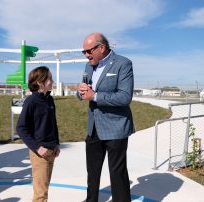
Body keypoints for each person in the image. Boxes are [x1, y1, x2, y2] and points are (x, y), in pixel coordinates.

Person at [77, 33, 134, 202]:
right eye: (84, 52)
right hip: (93, 127)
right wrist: (80, 92)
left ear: (101, 47)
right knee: (92, 173)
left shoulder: (123, 64)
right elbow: (84, 93)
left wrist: (94, 96)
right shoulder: (88, 66)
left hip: (116, 128)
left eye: (88, 51)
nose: (86, 55)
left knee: (117, 174)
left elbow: (125, 97)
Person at [16, 66, 60, 202]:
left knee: (44, 189)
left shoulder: (49, 99)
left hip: (51, 149)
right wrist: (37, 147)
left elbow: (53, 123)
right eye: (50, 79)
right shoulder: (31, 101)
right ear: (40, 82)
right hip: (39, 153)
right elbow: (21, 128)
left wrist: (56, 143)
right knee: (40, 194)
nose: (52, 81)